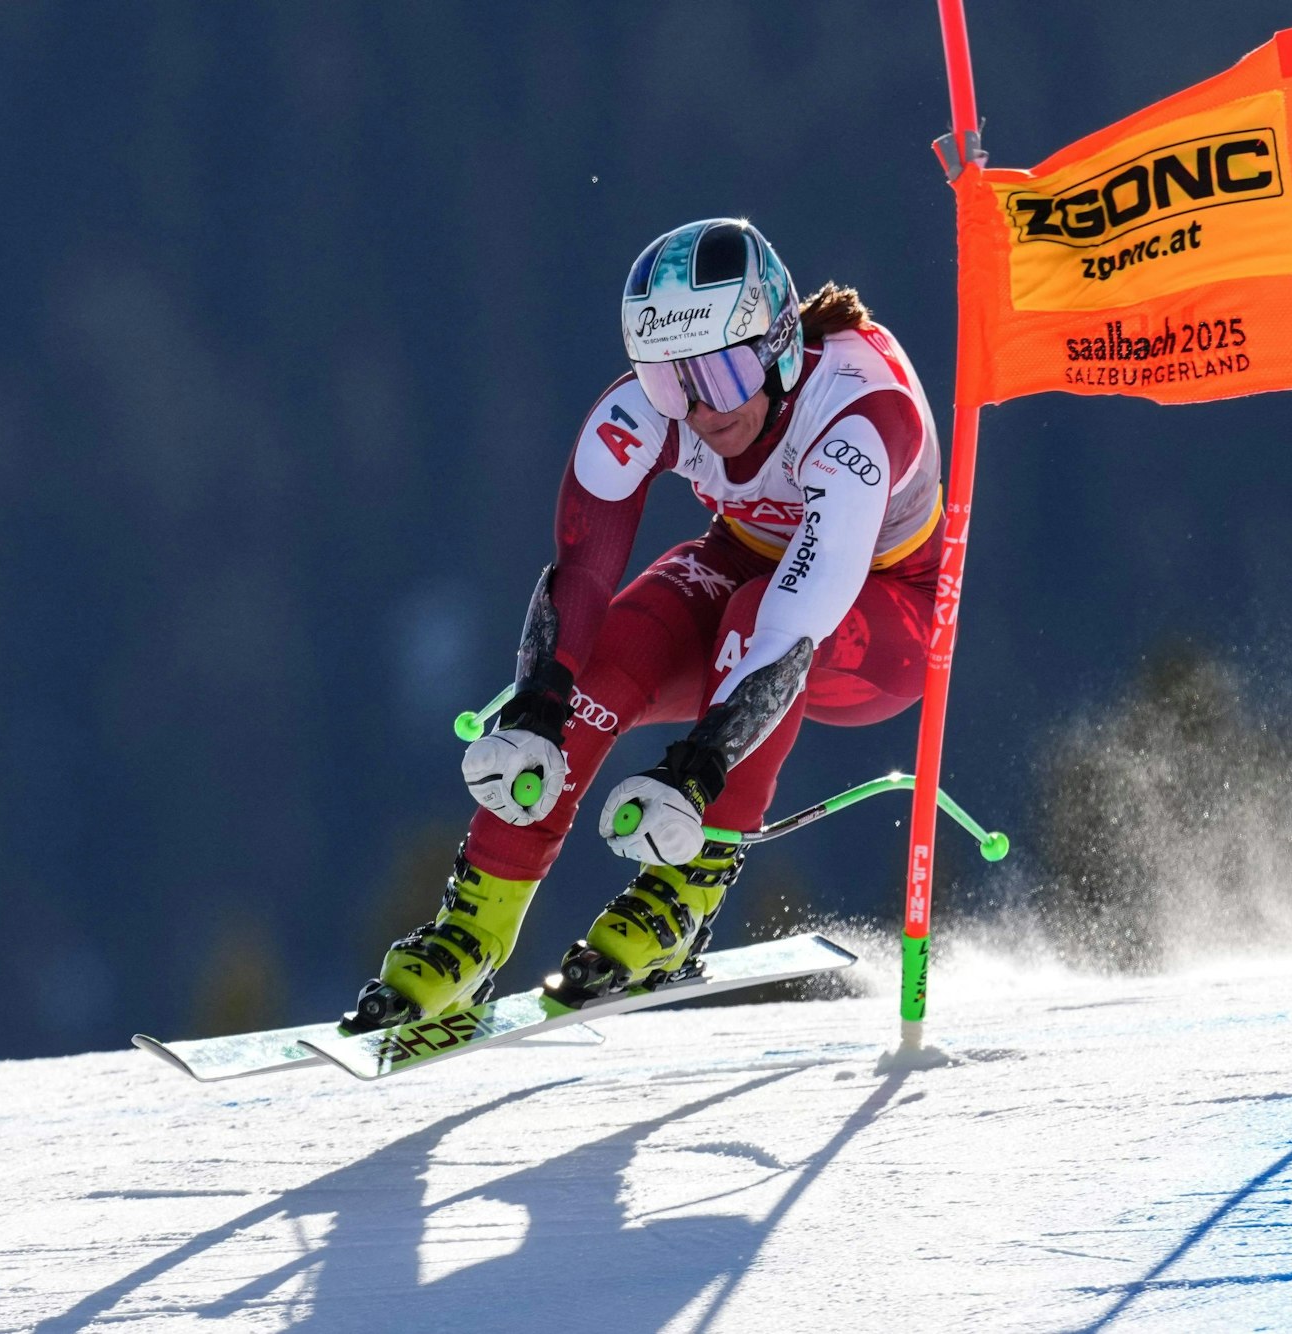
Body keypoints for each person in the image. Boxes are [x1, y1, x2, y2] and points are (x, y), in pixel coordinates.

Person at [347, 217, 944, 1030]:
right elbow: (581, 576)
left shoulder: (858, 416)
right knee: (607, 659)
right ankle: (477, 922)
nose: (698, 410)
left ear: (777, 346)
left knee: (752, 614)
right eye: (669, 383)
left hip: (885, 617)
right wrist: (537, 707)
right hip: (746, 561)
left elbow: (795, 621)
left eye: (723, 375)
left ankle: (684, 894)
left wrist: (697, 770)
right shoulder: (644, 412)